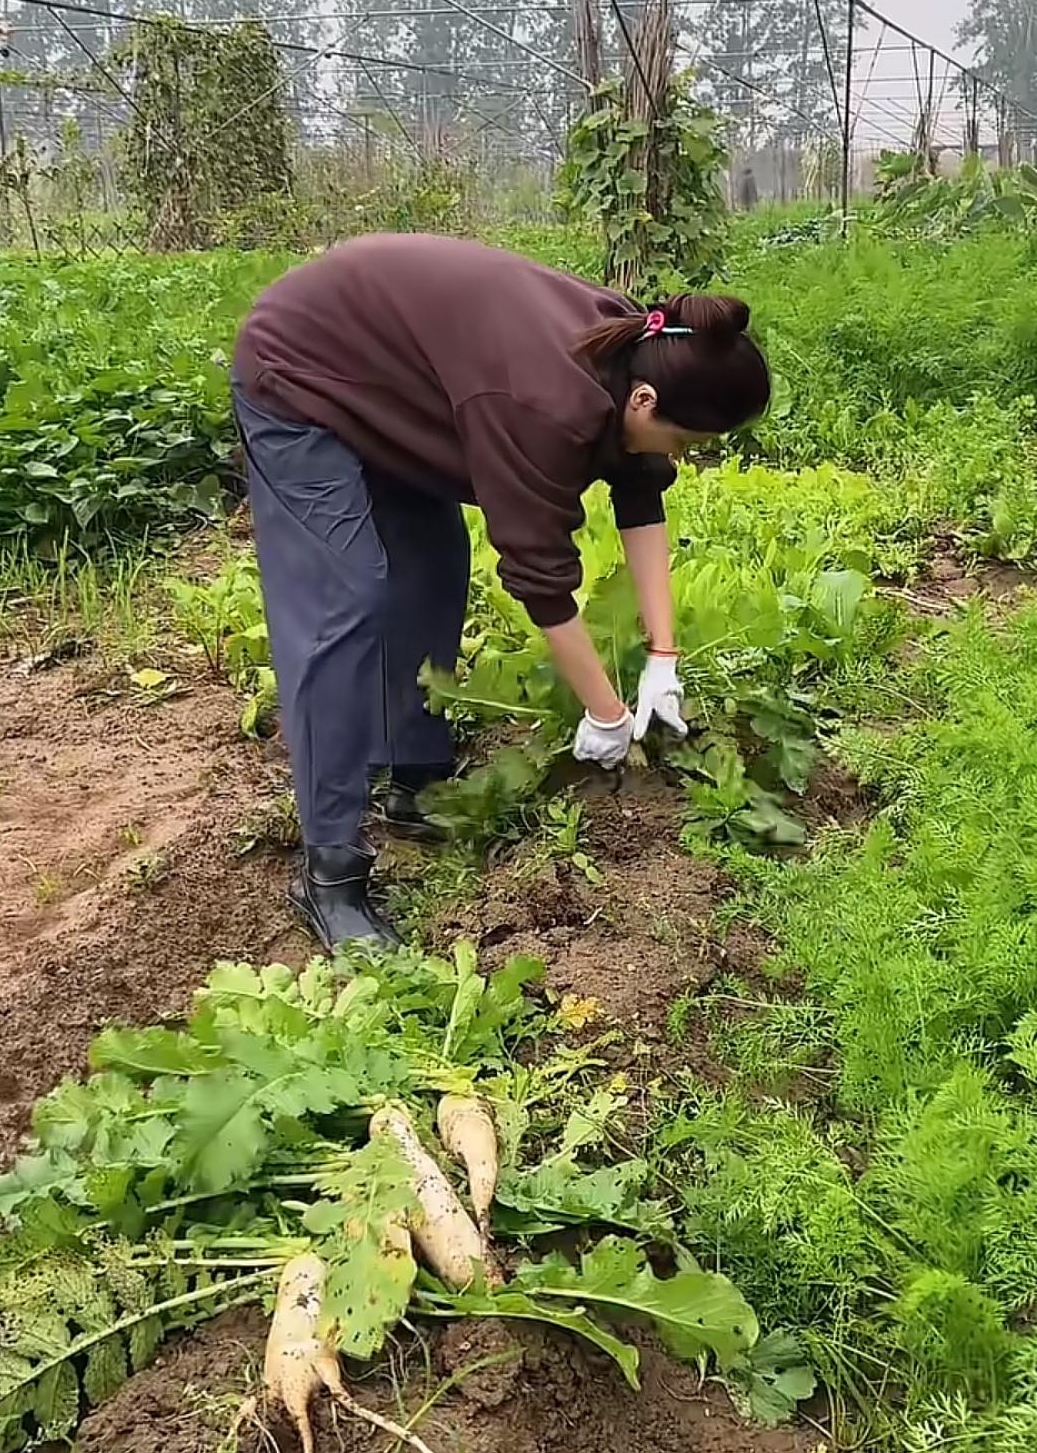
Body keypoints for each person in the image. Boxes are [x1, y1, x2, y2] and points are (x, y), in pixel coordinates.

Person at [232, 233, 770, 951]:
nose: (683, 457)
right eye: (686, 441)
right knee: (350, 598)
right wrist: (607, 714)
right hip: (302, 370)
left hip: (398, 386)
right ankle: (330, 872)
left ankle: (415, 780)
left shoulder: (638, 357)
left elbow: (643, 501)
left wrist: (663, 657)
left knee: (433, 565)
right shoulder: (544, 403)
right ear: (644, 402)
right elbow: (539, 579)